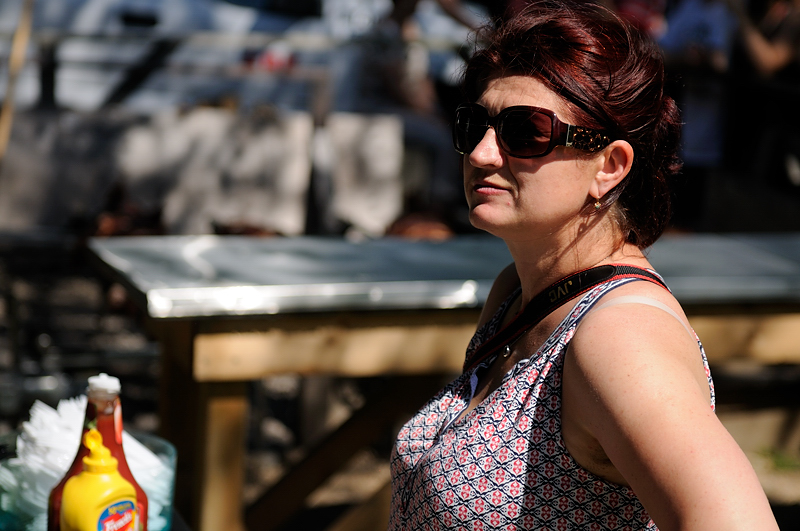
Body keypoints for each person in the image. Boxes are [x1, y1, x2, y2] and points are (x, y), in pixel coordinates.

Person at [388, 1, 780, 529]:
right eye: (474, 124)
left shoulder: (618, 336)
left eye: (525, 132)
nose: (481, 153)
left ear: (610, 166)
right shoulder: (517, 291)